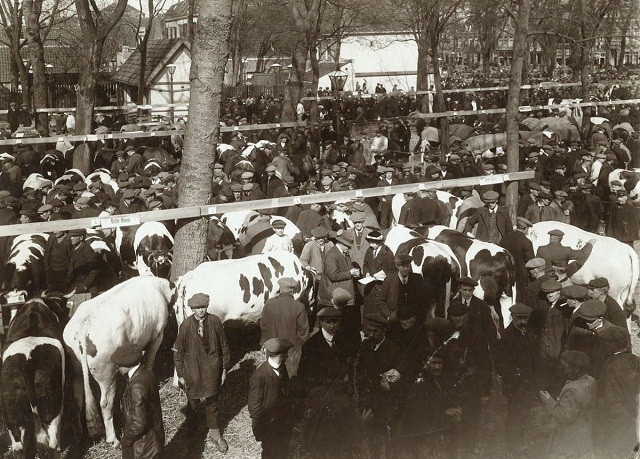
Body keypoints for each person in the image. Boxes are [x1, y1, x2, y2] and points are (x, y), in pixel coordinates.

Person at [174, 293, 230, 453]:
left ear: (207, 307)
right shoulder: (185, 326)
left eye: (203, 307)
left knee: (212, 403)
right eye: (197, 308)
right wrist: (181, 375)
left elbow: (224, 347)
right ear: (192, 309)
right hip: (193, 372)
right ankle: (191, 435)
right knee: (193, 404)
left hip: (212, 370)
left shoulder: (215, 322)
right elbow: (177, 353)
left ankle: (215, 434)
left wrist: (224, 369)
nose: (201, 311)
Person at [353, 313, 401, 458]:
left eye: (375, 331)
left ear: (384, 331)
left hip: (384, 400)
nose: (371, 334)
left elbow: (396, 378)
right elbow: (360, 371)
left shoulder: (393, 350)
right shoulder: (365, 345)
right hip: (366, 398)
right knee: (368, 436)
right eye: (369, 331)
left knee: (384, 436)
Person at [495, 303, 537, 456]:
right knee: (514, 416)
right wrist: (513, 373)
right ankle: (511, 448)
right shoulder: (506, 337)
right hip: (514, 385)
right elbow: (499, 363)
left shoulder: (529, 333)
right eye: (519, 318)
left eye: (525, 318)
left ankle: (518, 444)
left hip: (528, 383)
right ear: (512, 317)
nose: (523, 321)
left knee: (523, 414)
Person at [540, 350, 597, 458]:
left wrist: (547, 400)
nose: (563, 369)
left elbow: (564, 416)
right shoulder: (591, 381)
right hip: (584, 433)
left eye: (566, 366)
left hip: (568, 438)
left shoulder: (573, 390)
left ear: (577, 369)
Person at [111, 343, 165, 459]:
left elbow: (138, 423)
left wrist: (126, 439)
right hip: (154, 439)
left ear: (127, 364)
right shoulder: (146, 372)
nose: (117, 369)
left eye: (118, 366)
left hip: (142, 448)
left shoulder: (136, 386)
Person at [597, 326, 640, 457]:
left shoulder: (611, 367)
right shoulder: (635, 359)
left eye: (604, 342)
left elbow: (612, 401)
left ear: (612, 344)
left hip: (619, 424)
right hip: (634, 418)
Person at [248, 338, 294, 459]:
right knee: (270, 452)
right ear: (280, 355)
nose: (288, 355)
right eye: (286, 352)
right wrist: (261, 431)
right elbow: (255, 408)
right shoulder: (258, 377)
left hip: (282, 421)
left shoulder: (282, 366)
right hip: (268, 426)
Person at [260, 277, 309, 377]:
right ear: (292, 290)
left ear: (280, 289)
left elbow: (263, 325)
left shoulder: (269, 304)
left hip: (272, 349)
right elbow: (303, 332)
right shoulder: (299, 306)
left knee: (272, 376)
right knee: (289, 378)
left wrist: (264, 343)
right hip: (290, 353)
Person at [298, 306, 349, 393]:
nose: (332, 326)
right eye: (328, 322)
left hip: (340, 391)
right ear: (321, 322)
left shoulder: (342, 340)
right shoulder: (310, 345)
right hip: (320, 392)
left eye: (335, 321)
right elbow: (306, 374)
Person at [374, 253, 427, 322]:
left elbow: (423, 299)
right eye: (403, 266)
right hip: (395, 318)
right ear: (398, 266)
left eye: (407, 266)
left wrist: (418, 317)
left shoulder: (417, 279)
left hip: (413, 318)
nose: (406, 269)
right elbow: (380, 300)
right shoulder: (389, 280)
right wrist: (388, 316)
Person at [500, 217, 535, 301]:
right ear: (526, 229)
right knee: (520, 297)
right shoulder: (526, 241)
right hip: (520, 274)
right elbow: (531, 261)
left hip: (505, 272)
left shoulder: (504, 238)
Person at [67, 228, 101, 296]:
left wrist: (85, 286)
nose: (71, 238)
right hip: (76, 286)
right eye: (71, 236)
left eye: (73, 236)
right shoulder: (74, 247)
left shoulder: (87, 251)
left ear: (81, 237)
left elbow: (95, 271)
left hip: (87, 289)